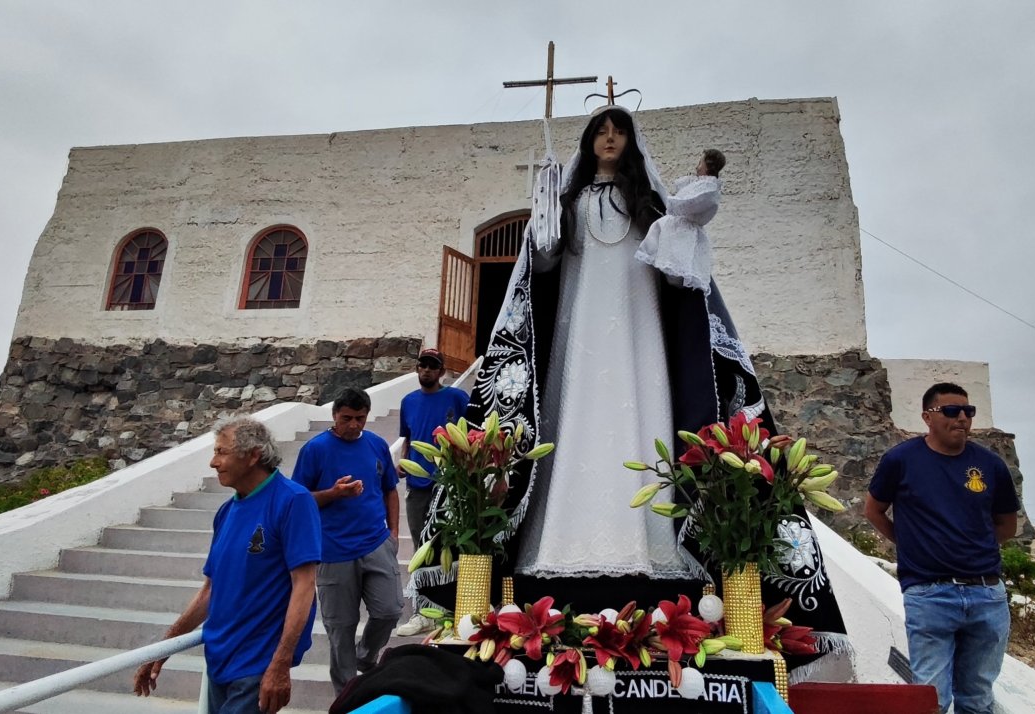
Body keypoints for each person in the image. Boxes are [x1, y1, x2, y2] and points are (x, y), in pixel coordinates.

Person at [413, 106, 852, 678]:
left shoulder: (653, 209)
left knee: (643, 425)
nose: (610, 137)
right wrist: (543, 221)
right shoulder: (570, 204)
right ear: (589, 141)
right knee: (572, 431)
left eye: (618, 129)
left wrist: (688, 222)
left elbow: (677, 278)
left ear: (631, 142)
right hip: (577, 337)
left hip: (642, 341)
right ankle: (558, 550)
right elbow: (540, 268)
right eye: (600, 130)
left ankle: (653, 550)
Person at [134, 416, 320, 714]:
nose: (213, 462)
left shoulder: (293, 501)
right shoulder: (226, 512)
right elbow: (210, 591)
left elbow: (304, 586)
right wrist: (163, 649)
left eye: (222, 452)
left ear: (253, 455)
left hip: (256, 664)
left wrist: (280, 664)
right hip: (219, 660)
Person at [865, 382, 1019, 714]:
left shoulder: (991, 466)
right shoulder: (900, 460)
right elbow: (873, 510)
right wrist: (910, 544)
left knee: (977, 697)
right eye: (951, 411)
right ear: (927, 417)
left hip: (986, 597)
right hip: (929, 595)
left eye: (968, 411)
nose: (961, 418)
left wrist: (973, 547)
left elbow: (1007, 524)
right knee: (930, 699)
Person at [291, 387, 402, 693]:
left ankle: (366, 657)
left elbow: (390, 489)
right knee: (340, 629)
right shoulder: (315, 450)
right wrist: (333, 493)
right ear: (334, 416)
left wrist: (393, 533)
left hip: (375, 543)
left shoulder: (377, 445)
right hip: (332, 552)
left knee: (391, 609)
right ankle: (346, 694)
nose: (354, 425)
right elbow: (297, 501)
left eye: (360, 418)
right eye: (347, 418)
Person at [393, 348, 469, 637]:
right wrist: (404, 460)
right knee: (420, 548)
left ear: (443, 372)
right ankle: (422, 613)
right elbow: (409, 438)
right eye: (422, 365)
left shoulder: (457, 398)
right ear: (416, 369)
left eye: (432, 366)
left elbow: (471, 432)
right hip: (418, 485)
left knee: (450, 546)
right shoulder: (408, 402)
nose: (426, 370)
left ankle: (451, 609)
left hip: (450, 485)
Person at [635, 148, 726, 293]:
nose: (697, 167)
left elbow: (687, 203)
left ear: (708, 165)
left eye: (700, 163)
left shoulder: (708, 189)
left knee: (676, 266)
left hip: (683, 235)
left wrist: (671, 202)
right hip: (674, 228)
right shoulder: (701, 184)